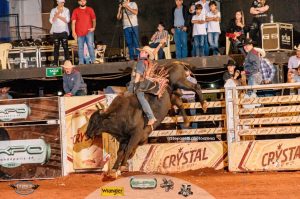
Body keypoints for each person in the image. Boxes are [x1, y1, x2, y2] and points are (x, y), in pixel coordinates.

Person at [133, 46, 158, 126]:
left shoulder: (140, 62)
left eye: (143, 52)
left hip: (140, 84)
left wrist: (135, 86)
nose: (140, 52)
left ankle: (151, 117)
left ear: (147, 54)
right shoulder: (147, 62)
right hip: (146, 83)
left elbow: (138, 75)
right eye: (141, 51)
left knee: (140, 97)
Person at [71, 0, 96, 64]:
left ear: (86, 1)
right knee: (80, 47)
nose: (82, 2)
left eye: (84, 0)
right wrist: (73, 32)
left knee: (90, 46)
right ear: (78, 2)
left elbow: (94, 20)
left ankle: (93, 61)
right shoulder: (75, 10)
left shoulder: (90, 9)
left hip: (89, 32)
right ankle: (81, 62)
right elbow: (73, 23)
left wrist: (93, 27)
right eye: (81, 1)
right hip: (79, 32)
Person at [49, 0, 70, 67]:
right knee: (56, 48)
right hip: (55, 31)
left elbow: (67, 20)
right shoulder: (53, 10)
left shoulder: (66, 10)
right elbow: (52, 21)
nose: (62, 4)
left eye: (63, 2)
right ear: (57, 2)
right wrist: (58, 13)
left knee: (65, 47)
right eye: (61, 2)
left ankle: (68, 61)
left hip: (64, 31)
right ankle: (55, 63)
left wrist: (58, 15)